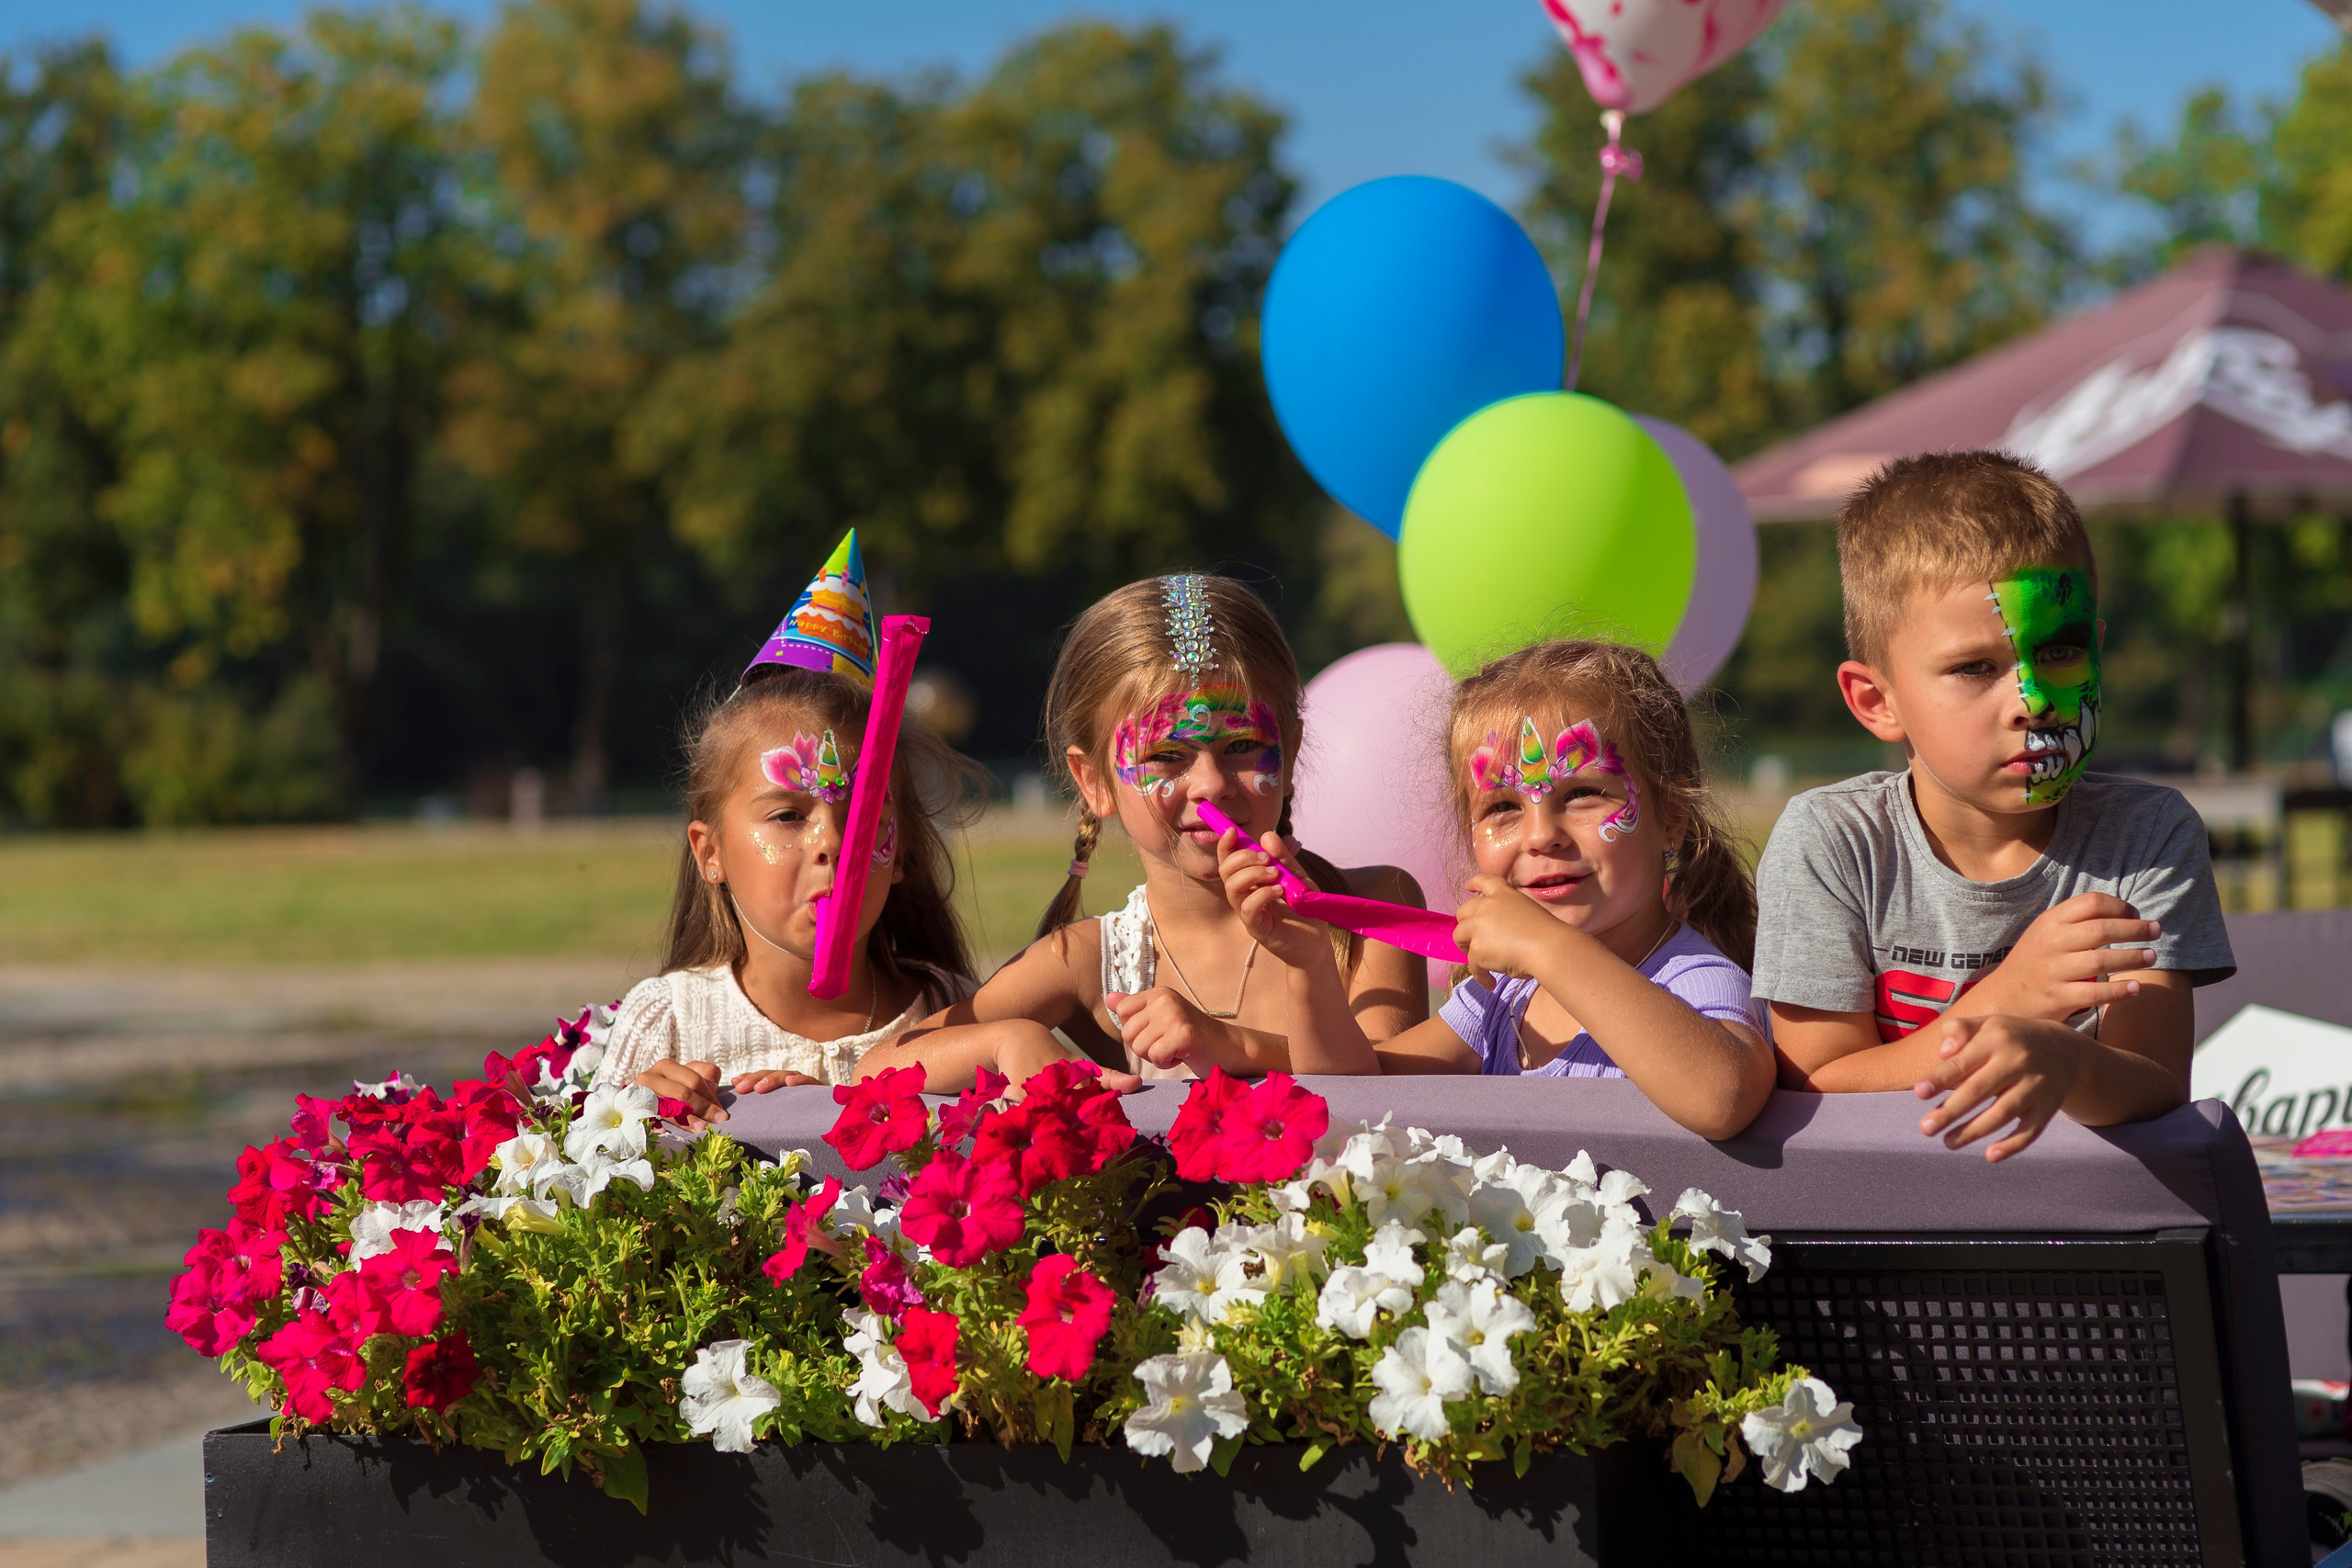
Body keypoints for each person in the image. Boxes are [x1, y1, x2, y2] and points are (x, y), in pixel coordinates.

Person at [1754, 450, 2234, 1161]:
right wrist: (2006, 1000)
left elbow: (2158, 1080)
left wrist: (2067, 1063)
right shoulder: (1832, 841)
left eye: (2062, 650)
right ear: (1876, 700)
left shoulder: (2147, 835)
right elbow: (1815, 1086)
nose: (2034, 701)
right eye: (1975, 667)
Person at [860, 573, 1429, 1088]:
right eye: (1166, 755)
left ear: (1293, 749)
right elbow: (879, 1067)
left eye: (1242, 746)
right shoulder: (1084, 961)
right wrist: (1010, 1039)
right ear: (1094, 781)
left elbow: (1380, 1089)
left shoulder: (1373, 909)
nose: (1211, 785)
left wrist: (1237, 1037)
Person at [1242, 639, 1774, 1142]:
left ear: (1671, 820)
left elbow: (1722, 1098)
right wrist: (1311, 966)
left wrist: (1547, 947)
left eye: (1584, 793)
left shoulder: (1694, 979)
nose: (1542, 835)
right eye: (1503, 808)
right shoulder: (1502, 996)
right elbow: (1353, 1095)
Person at [594, 531, 989, 1123]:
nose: (831, 841)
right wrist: (645, 1122)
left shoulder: (955, 1008)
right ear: (710, 853)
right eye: (786, 815)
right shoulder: (668, 1021)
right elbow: (584, 1186)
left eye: (860, 815)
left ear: (901, 847)